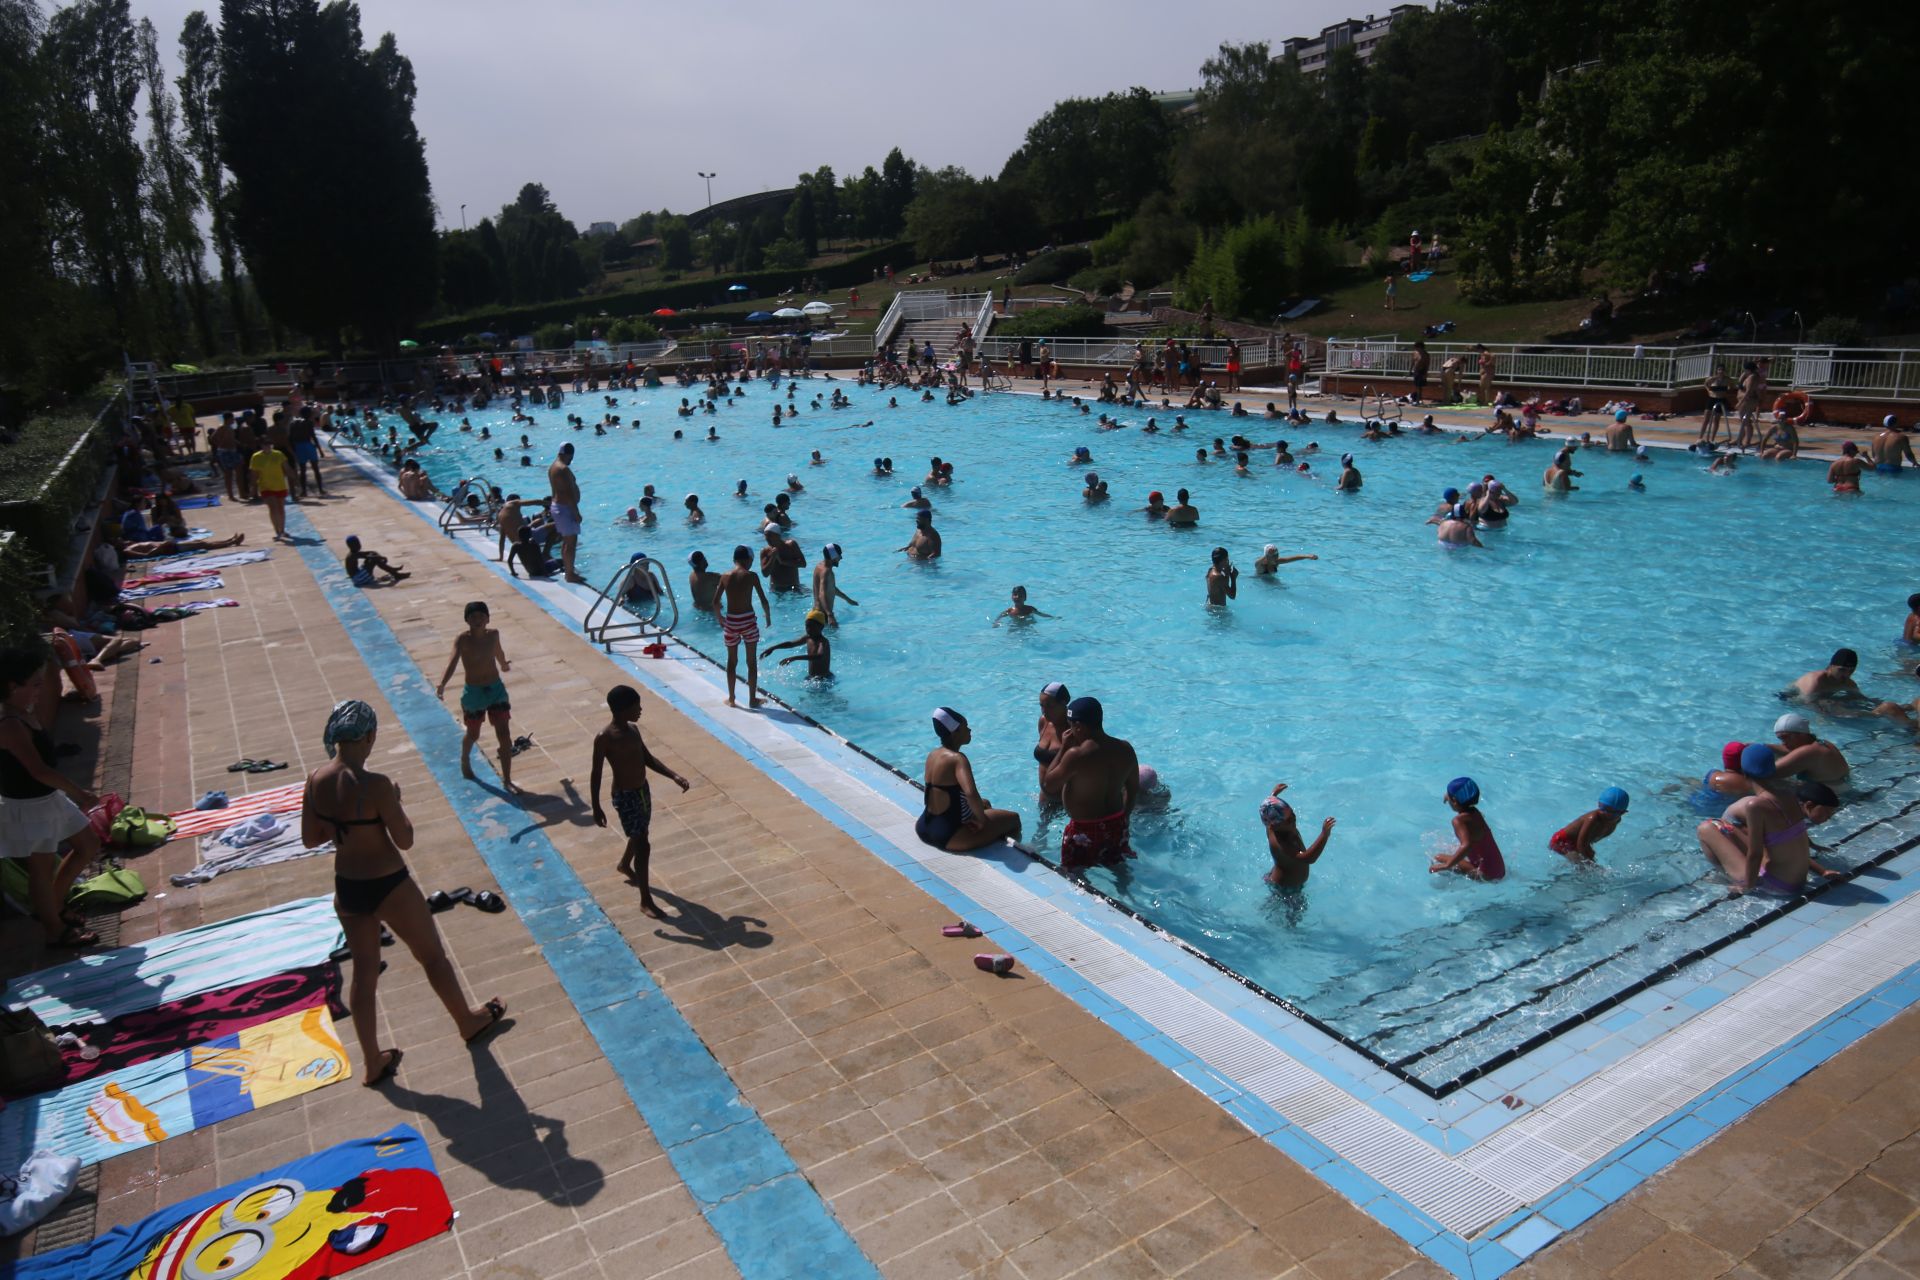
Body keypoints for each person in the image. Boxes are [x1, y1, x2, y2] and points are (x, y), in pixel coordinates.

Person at [302, 699, 506, 1086]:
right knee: (432, 957)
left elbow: (310, 839)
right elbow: (405, 839)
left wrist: (344, 824)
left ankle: (372, 1061)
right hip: (389, 883)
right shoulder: (377, 785)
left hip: (348, 886)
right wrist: (392, 802)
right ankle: (467, 1021)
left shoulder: (315, 780)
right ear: (368, 737)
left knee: (364, 975)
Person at [0, 647, 101, 948]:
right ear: (12, 687)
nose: (39, 689)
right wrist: (79, 793)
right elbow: (38, 770)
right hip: (29, 806)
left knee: (88, 845)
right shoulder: (9, 724)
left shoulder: (24, 713)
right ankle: (54, 930)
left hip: (47, 799)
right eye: (34, 684)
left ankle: (54, 907)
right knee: (41, 872)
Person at [591, 685, 688, 916]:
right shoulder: (605, 738)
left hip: (642, 791)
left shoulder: (634, 730)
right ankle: (646, 900)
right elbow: (596, 773)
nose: (641, 710)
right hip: (625, 797)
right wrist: (596, 806)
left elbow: (647, 758)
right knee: (643, 845)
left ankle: (625, 864)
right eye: (637, 706)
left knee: (640, 833)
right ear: (623, 709)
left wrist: (673, 775)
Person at [1696, 745, 1839, 895]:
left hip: (1776, 885)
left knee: (1707, 827)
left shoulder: (1756, 806)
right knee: (1727, 828)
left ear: (1743, 773)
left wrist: (1748, 886)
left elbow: (1755, 853)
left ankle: (1727, 876)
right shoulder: (1789, 796)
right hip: (1798, 882)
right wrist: (1822, 871)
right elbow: (1793, 845)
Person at [1042, 697, 1139, 872]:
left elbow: (1048, 785)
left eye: (1070, 726)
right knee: (1119, 869)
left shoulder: (1077, 755)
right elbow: (1133, 790)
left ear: (1079, 727)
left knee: (1074, 875)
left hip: (1084, 830)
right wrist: (1124, 818)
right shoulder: (1125, 749)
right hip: (1117, 824)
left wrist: (1064, 748)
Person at [434, 601, 521, 793]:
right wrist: (442, 683)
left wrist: (504, 664)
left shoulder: (493, 635)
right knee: (473, 734)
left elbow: (498, 652)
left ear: (488, 619)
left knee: (504, 736)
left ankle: (507, 779)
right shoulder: (463, 640)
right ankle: (465, 758)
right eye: (473, 617)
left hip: (495, 690)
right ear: (467, 620)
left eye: (481, 616)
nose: (478, 620)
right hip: (474, 693)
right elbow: (452, 662)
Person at [916, 708, 1022, 852]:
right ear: (955, 732)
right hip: (948, 836)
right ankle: (1014, 853)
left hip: (924, 827)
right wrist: (981, 821)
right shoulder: (958, 759)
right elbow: (971, 793)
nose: (969, 730)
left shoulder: (933, 755)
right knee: (1014, 819)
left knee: (985, 803)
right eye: (966, 726)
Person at [718, 545, 771, 708]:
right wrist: (768, 616)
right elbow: (763, 599)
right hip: (748, 620)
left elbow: (715, 602)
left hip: (731, 621)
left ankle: (732, 698)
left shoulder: (725, 576)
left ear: (734, 559)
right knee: (751, 662)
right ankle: (752, 699)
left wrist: (720, 618)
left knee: (732, 661)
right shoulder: (752, 576)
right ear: (748, 560)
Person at [1261, 784, 1335, 889]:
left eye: (1292, 813)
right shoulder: (1284, 842)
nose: (1293, 819)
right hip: (1286, 887)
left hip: (1279, 874)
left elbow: (1268, 810)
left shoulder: (1272, 826)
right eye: (1289, 820)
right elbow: (1308, 858)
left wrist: (1273, 795)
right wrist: (1324, 834)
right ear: (1276, 826)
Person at [1430, 776, 1504, 881]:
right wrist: (1450, 797)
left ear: (1454, 801)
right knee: (1452, 848)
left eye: (1448, 795)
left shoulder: (1458, 821)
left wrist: (1447, 865)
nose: (1446, 796)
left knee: (1437, 858)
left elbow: (1466, 845)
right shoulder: (1476, 813)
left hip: (1486, 875)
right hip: (1500, 870)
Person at [1549, 787, 1629, 861]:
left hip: (1575, 843)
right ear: (1599, 804)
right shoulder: (1592, 819)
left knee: (1582, 864)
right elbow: (1581, 844)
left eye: (1611, 813)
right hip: (1561, 842)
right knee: (1584, 866)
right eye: (1603, 808)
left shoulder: (1617, 821)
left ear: (1622, 813)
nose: (1605, 813)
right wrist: (1590, 860)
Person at [1769, 711, 1849, 784]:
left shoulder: (1809, 752)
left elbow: (1767, 772)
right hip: (1842, 786)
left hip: (1834, 793)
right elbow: (1789, 750)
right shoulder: (1822, 743)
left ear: (1802, 734)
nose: (1783, 742)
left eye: (1785, 737)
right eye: (1780, 739)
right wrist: (1765, 746)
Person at [547, 442, 586, 582]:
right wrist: (576, 513)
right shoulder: (563, 469)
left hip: (558, 506)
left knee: (566, 542)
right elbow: (568, 494)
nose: (571, 460)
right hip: (565, 508)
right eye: (571, 457)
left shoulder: (553, 467)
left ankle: (569, 569)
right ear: (568, 454)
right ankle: (570, 574)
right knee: (571, 543)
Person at [763, 610, 832, 678]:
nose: (809, 629)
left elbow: (819, 656)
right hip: (811, 677)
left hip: (824, 678)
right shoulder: (808, 638)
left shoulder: (823, 642)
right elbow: (791, 644)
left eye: (812, 627)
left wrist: (795, 658)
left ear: (821, 627)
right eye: (807, 626)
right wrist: (773, 648)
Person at [249, 438, 294, 540]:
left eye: (269, 444)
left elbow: (286, 468)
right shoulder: (256, 457)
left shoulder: (278, 454)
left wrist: (294, 478)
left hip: (280, 485)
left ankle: (282, 530)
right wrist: (253, 488)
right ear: (261, 446)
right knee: (273, 508)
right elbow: (254, 474)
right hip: (266, 486)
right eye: (265, 444)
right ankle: (277, 531)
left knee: (281, 508)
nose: (267, 446)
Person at [1033, 682, 1071, 799]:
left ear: (1063, 703)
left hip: (1066, 799)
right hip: (1045, 796)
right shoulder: (1043, 722)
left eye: (1049, 706)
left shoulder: (1072, 730)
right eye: (1042, 706)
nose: (1044, 711)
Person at [1792, 649, 1864, 701]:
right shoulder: (1816, 681)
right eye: (1842, 670)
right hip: (1791, 699)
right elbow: (1806, 703)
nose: (1846, 674)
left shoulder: (1847, 683)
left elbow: (1860, 699)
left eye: (1851, 670)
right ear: (1831, 666)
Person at [812, 543, 856, 625]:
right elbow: (822, 594)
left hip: (816, 613)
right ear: (833, 556)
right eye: (839, 555)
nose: (841, 558)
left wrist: (848, 600)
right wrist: (830, 615)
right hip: (823, 616)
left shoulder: (819, 566)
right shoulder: (826, 572)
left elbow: (831, 588)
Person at [342, 535, 407, 586]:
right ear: (352, 546)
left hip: (358, 575)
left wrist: (378, 556)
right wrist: (382, 558)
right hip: (358, 579)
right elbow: (371, 557)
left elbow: (371, 553)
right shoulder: (352, 555)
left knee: (373, 557)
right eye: (357, 544)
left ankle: (394, 572)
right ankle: (395, 573)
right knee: (374, 560)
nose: (359, 545)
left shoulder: (354, 553)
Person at [288, 413, 326, 497]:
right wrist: (320, 450)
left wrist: (293, 450)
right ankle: (320, 489)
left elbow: (290, 438)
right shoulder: (308, 423)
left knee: (302, 470)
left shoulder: (293, 424)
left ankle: (304, 491)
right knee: (316, 469)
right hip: (308, 445)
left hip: (299, 447)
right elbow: (313, 436)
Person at [759, 526, 807, 592]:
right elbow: (765, 574)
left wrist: (782, 562)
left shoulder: (791, 545)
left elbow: (803, 564)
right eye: (766, 536)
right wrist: (773, 557)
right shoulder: (765, 551)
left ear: (778, 536)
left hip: (794, 586)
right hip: (776, 589)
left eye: (770, 536)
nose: (767, 539)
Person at [686, 550, 720, 614]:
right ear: (701, 562)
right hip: (711, 611)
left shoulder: (691, 576)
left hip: (698, 609)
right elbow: (728, 580)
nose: (705, 559)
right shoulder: (710, 577)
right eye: (703, 558)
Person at [1252, 545, 1317, 575]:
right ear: (1267, 556)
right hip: (1260, 584)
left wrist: (1307, 556)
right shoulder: (1261, 565)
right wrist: (1267, 554)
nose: (1276, 556)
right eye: (1274, 555)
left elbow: (1292, 559)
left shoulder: (1276, 561)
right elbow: (1256, 563)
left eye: (1277, 554)